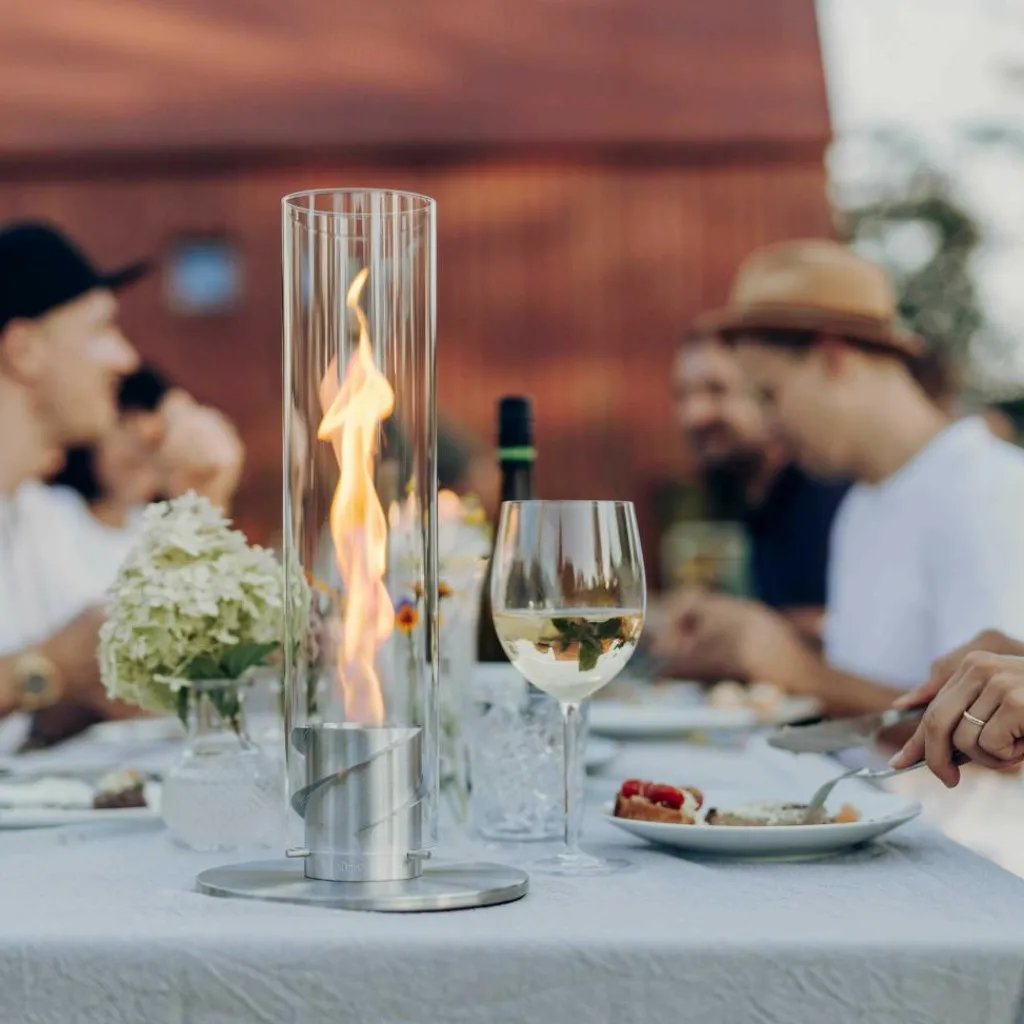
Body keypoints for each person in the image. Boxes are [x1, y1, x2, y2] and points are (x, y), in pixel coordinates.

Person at [658, 239, 1024, 716]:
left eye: (770, 395)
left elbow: (997, 742)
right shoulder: (865, 499)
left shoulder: (986, 491)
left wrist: (796, 669)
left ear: (833, 357)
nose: (767, 425)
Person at [0, 221, 146, 718]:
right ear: (25, 351)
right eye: (102, 328)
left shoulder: (27, 512)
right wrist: (51, 666)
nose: (126, 359)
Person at [670, 328, 849, 640]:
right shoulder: (739, 494)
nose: (693, 415)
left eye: (717, 390)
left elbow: (860, 633)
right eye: (682, 395)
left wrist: (733, 625)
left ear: (768, 395)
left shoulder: (832, 492)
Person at [48, 365, 245, 603]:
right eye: (123, 424)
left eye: (155, 442)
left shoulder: (157, 536)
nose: (138, 449)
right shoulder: (46, 509)